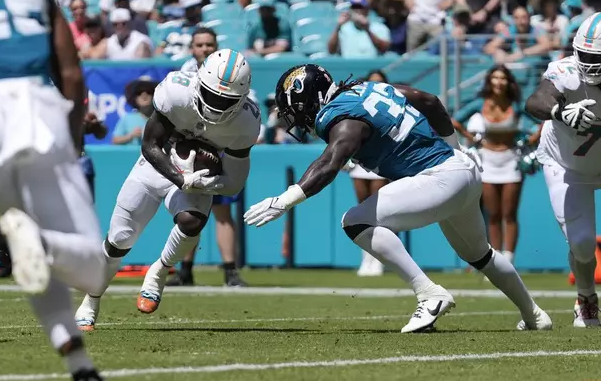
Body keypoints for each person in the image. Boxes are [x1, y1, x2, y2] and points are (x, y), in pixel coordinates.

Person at [243, 64, 552, 333]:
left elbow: (329, 163)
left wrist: (285, 200)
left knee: (354, 221)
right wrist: (453, 148)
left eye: (296, 108)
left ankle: (429, 293)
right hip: (463, 172)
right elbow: (430, 100)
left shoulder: (339, 115)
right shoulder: (368, 89)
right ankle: (534, 314)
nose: (297, 118)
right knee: (480, 255)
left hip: (440, 177)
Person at [0, 0, 107, 380]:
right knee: (90, 265)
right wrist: (72, 142)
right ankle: (39, 241)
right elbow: (72, 74)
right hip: (32, 104)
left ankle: (79, 365)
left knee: (29, 257)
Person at [74, 49, 261, 330]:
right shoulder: (176, 92)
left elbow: (234, 181)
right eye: (212, 95)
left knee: (192, 221)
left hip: (196, 175)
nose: (218, 105)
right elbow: (149, 145)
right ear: (199, 82)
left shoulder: (246, 122)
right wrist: (181, 179)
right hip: (158, 164)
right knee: (119, 240)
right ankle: (92, 298)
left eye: (227, 100)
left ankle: (159, 272)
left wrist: (205, 182)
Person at [525, 11, 601, 328]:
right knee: (582, 243)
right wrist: (561, 110)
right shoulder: (566, 71)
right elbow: (536, 101)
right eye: (585, 55)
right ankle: (586, 296)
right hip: (567, 163)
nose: (590, 64)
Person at [165, 28, 248, 287]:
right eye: (200, 45)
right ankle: (186, 269)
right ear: (192, 48)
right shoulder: (186, 71)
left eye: (209, 44)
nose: (205, 49)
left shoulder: (229, 70)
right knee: (190, 209)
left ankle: (230, 271)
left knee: (223, 211)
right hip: (192, 147)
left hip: (221, 147)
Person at [452, 65, 542, 266]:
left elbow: (543, 120)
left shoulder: (515, 105)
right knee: (492, 215)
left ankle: (509, 258)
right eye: (495, 78)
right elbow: (454, 121)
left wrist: (533, 138)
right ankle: (495, 261)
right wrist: (471, 138)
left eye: (502, 78)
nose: (498, 82)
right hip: (487, 161)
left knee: (509, 214)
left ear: (508, 82)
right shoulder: (480, 103)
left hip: (511, 159)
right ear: (489, 81)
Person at [349, 70, 390, 277]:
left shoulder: (390, 108)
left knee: (379, 215)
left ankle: (380, 258)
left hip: (380, 164)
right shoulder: (358, 105)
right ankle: (367, 257)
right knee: (362, 213)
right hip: (359, 164)